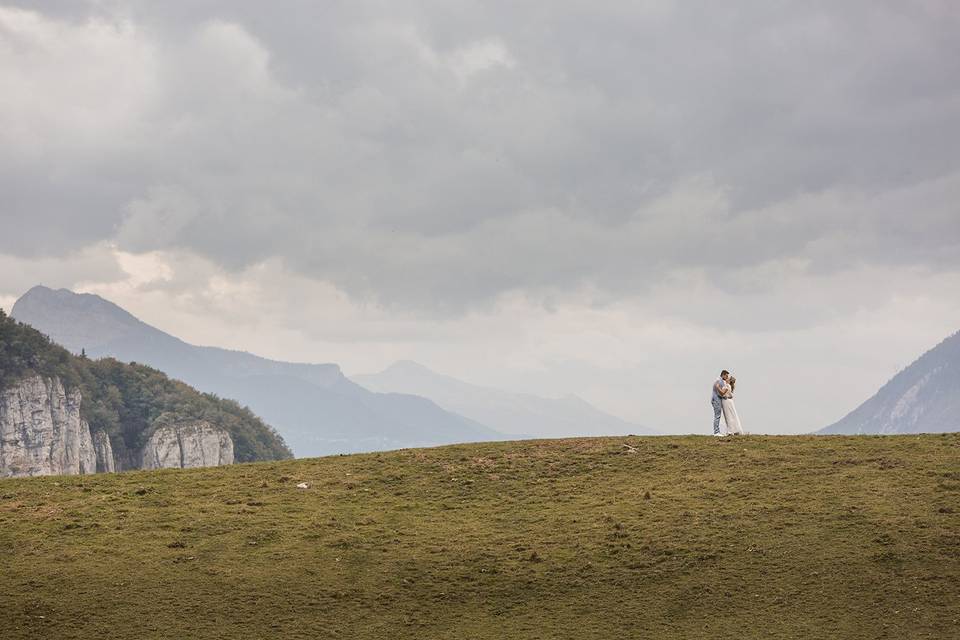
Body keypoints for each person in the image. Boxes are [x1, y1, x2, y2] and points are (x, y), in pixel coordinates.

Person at [711, 370, 731, 436]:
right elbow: (721, 393)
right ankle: (716, 432)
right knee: (717, 415)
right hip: (716, 400)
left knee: (718, 416)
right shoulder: (719, 381)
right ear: (723, 375)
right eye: (726, 376)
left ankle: (717, 431)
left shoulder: (720, 381)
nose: (727, 377)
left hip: (717, 400)